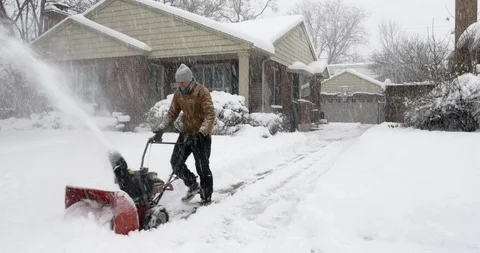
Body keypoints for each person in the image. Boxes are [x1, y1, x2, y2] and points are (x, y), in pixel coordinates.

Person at [151, 63, 215, 203]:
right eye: (178, 83)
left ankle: (206, 195)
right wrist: (161, 128)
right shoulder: (179, 94)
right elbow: (172, 113)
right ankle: (193, 184)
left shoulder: (201, 92)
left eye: (182, 82)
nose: (180, 85)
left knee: (202, 167)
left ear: (190, 79)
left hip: (201, 136)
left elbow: (210, 115)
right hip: (186, 134)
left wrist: (202, 132)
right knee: (175, 163)